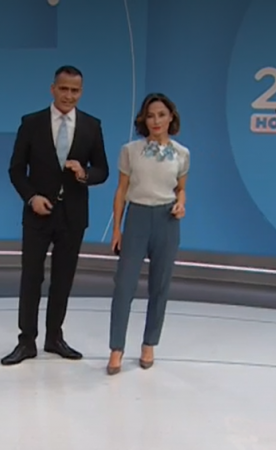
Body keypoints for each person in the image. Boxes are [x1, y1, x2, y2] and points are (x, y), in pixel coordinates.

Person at [1, 65, 109, 366]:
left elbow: (102, 170)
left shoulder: (91, 126)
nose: (69, 95)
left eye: (75, 91)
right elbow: (15, 170)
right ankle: (26, 341)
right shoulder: (31, 123)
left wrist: (84, 173)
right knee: (31, 277)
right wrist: (31, 197)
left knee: (63, 279)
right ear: (53, 89)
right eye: (64, 89)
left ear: (81, 92)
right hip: (38, 214)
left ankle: (54, 337)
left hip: (73, 217)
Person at [106, 93, 189, 375]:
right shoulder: (130, 151)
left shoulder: (182, 154)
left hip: (167, 221)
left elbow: (181, 189)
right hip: (137, 219)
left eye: (161, 115)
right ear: (144, 119)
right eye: (151, 115)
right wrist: (117, 229)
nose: (156, 121)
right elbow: (121, 191)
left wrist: (181, 204)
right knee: (124, 286)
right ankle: (116, 348)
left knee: (160, 285)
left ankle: (149, 344)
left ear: (171, 117)